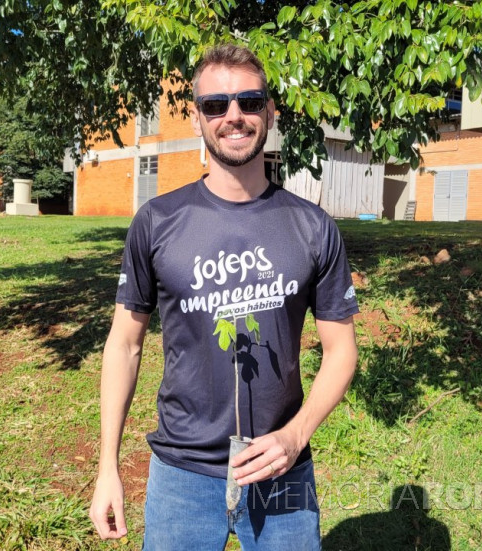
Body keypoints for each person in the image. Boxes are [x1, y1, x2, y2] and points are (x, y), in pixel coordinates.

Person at [88, 43, 359, 549]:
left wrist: (295, 436)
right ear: (196, 118)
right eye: (216, 105)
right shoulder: (156, 223)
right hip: (181, 476)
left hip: (283, 474)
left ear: (270, 112)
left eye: (249, 101)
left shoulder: (312, 227)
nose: (233, 117)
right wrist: (108, 467)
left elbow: (342, 352)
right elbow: (124, 345)